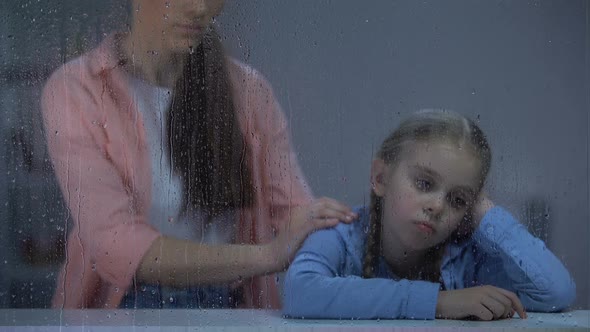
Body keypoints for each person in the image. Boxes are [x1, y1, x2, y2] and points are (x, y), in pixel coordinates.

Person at [41, 0, 356, 309]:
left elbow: (294, 211)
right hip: (127, 303)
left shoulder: (248, 90)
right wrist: (268, 256)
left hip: (233, 303)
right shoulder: (78, 88)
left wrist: (354, 232)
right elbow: (116, 245)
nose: (200, 8)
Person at [283, 109, 576, 320]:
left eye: (458, 199)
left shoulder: (465, 258)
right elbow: (300, 292)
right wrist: (438, 302)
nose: (437, 206)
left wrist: (486, 213)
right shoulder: (342, 234)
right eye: (424, 184)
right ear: (381, 178)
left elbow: (555, 293)